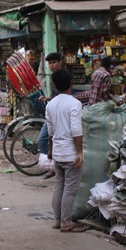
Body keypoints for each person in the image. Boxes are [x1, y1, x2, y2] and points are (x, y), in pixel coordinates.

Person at [46, 69, 87, 233]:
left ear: (55, 85)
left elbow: (50, 131)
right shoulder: (74, 103)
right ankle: (66, 222)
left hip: (58, 151)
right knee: (70, 189)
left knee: (59, 186)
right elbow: (76, 130)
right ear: (71, 83)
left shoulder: (51, 104)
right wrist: (79, 153)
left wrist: (50, 150)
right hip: (70, 152)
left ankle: (57, 220)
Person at [36, 52, 64, 177]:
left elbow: (64, 95)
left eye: (54, 62)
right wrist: (47, 98)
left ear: (60, 62)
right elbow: (56, 96)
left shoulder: (64, 76)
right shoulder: (54, 76)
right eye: (50, 63)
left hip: (60, 113)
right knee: (44, 140)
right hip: (53, 112)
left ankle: (55, 168)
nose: (52, 65)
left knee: (45, 140)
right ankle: (54, 167)